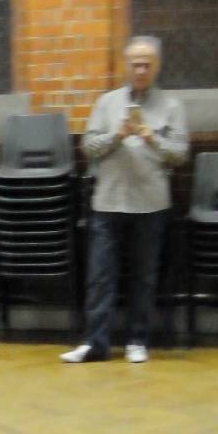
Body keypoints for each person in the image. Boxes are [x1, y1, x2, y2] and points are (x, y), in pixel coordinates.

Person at [62, 36, 189, 364]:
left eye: (147, 64)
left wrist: (150, 138)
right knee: (100, 275)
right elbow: (88, 147)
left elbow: (180, 154)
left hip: (151, 203)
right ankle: (95, 343)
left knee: (144, 276)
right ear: (126, 66)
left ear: (157, 67)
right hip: (108, 202)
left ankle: (137, 340)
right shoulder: (107, 103)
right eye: (136, 63)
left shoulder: (171, 106)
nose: (141, 69)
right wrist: (117, 135)